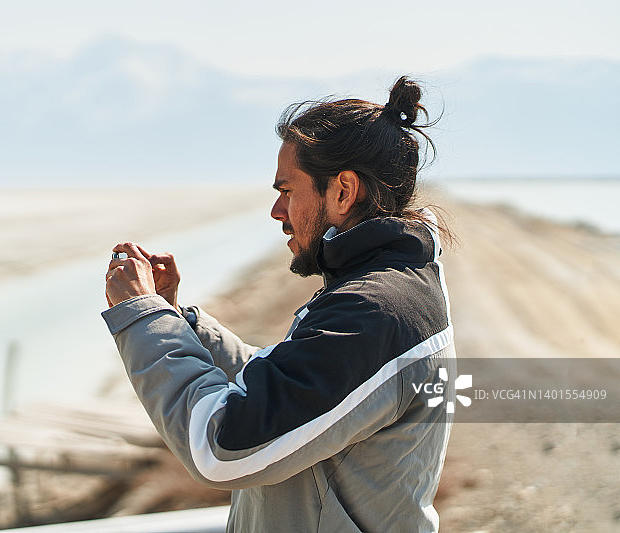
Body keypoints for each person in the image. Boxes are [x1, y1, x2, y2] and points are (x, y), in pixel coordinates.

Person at [102, 76, 456, 532]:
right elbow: (285, 386)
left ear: (343, 191)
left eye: (287, 191)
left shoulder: (371, 311)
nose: (277, 211)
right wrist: (177, 319)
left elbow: (222, 447)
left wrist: (141, 317)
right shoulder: (390, 286)